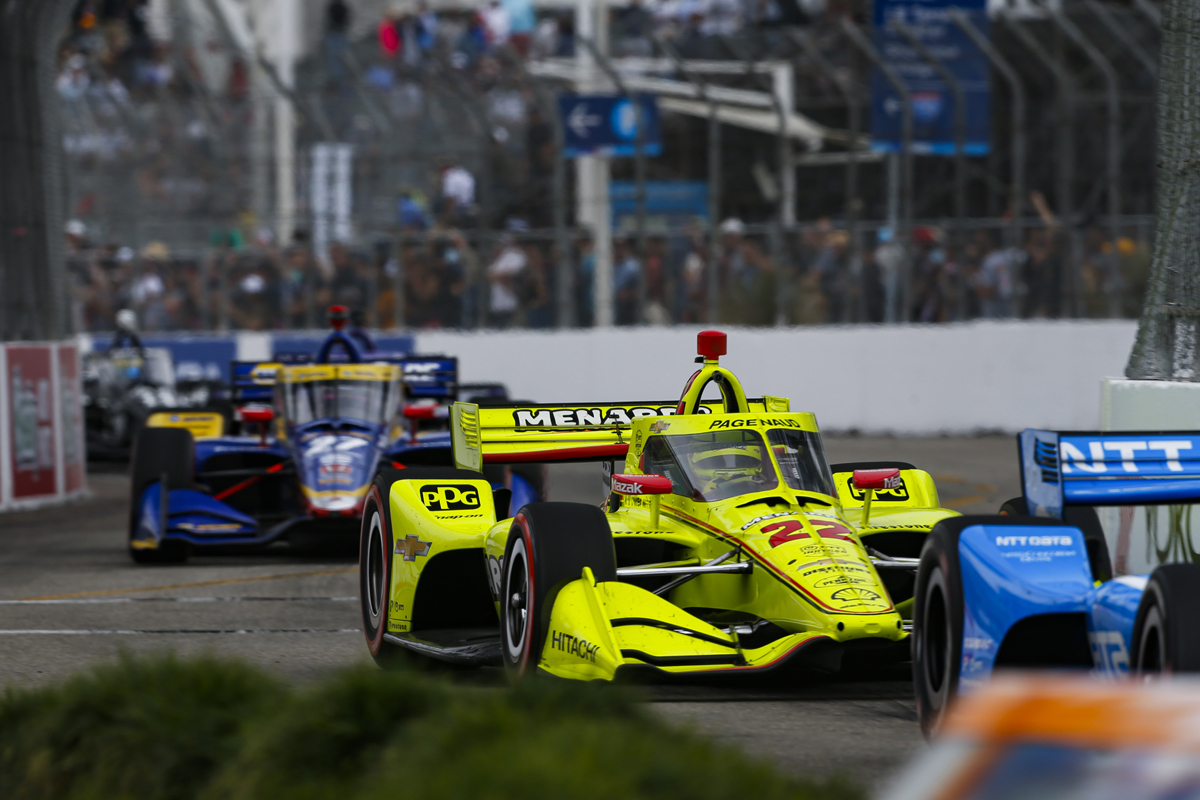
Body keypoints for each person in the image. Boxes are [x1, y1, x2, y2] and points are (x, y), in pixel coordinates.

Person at [487, 234, 526, 328]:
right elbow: (490, 275)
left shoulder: (516, 256)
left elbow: (509, 277)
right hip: (497, 304)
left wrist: (498, 276)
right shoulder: (499, 260)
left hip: (511, 304)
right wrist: (498, 276)